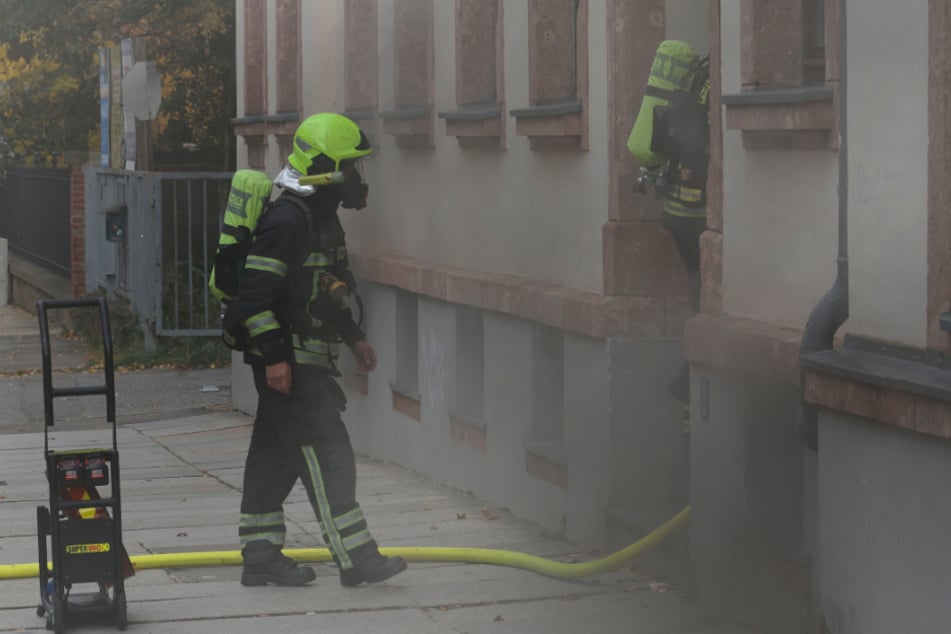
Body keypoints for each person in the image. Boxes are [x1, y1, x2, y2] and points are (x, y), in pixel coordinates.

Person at [224, 112, 407, 587]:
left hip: (306, 356)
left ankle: (260, 554)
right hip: (293, 361)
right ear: (326, 168)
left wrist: (354, 336)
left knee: (274, 456)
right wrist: (274, 357)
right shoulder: (288, 219)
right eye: (351, 167)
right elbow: (253, 297)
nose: (357, 179)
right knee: (330, 454)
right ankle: (357, 556)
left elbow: (327, 290)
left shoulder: (323, 220)